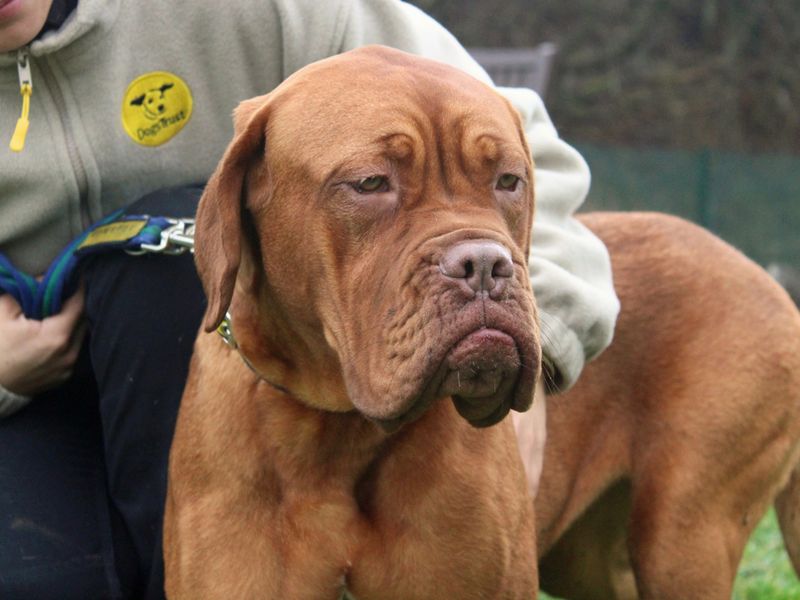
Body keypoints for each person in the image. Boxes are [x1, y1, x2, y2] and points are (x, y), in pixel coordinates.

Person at [0, 0, 620, 597]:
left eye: (504, 186)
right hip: (25, 398)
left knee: (156, 258)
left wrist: (539, 341)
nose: (477, 255)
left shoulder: (266, 7)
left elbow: (522, 146)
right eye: (373, 184)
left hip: (166, 324)